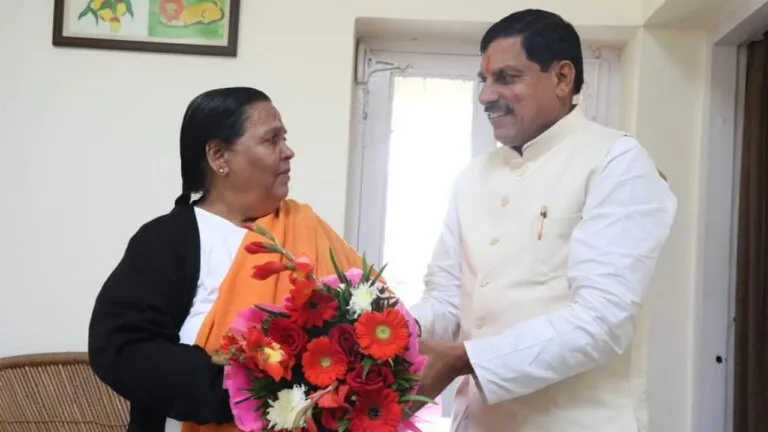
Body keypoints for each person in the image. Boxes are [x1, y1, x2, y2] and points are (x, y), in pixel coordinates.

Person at [408, 9, 677, 432]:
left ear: (562, 78)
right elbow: (446, 297)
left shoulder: (616, 160)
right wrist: (381, 334)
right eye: (484, 80)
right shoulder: (473, 176)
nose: (485, 95)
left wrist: (464, 358)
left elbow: (603, 319)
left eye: (507, 77)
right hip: (478, 420)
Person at [88, 87, 367, 432]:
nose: (289, 152)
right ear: (219, 156)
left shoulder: (305, 228)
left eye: (285, 138)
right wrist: (246, 390)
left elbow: (376, 318)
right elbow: (122, 348)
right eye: (272, 140)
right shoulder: (167, 240)